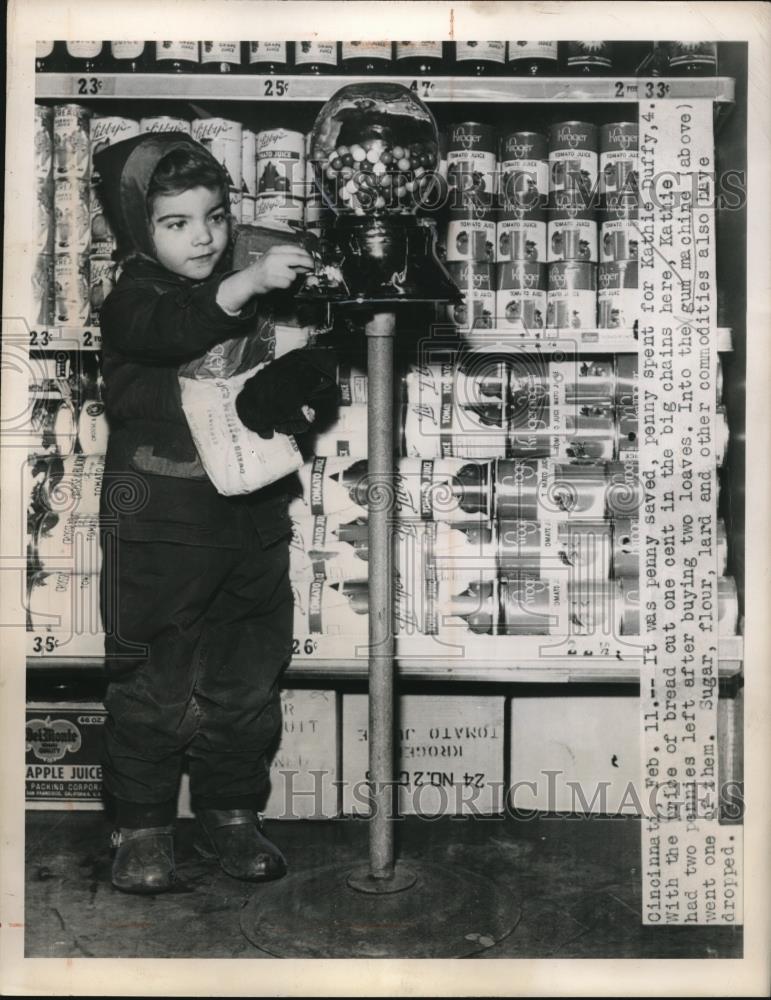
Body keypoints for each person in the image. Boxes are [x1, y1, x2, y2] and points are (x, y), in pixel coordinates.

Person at [93, 131, 336, 894]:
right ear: (140, 228)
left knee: (246, 680)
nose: (203, 236)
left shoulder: (250, 271)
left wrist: (302, 380)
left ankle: (231, 814)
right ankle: (142, 826)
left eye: (215, 215)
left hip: (251, 521)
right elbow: (168, 330)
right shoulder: (131, 296)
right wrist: (244, 284)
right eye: (176, 222)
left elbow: (302, 365)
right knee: (153, 683)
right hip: (158, 529)